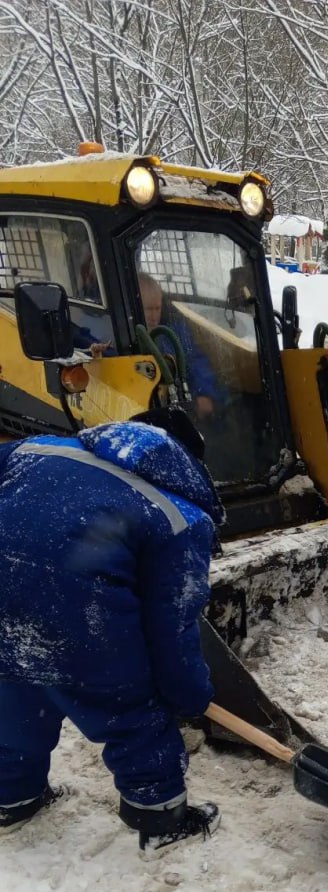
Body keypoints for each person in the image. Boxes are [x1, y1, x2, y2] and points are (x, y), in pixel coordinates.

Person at [0, 414, 225, 851]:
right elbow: (172, 628)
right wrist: (187, 698)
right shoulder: (177, 516)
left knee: (12, 696)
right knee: (131, 711)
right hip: (79, 614)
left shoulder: (38, 448)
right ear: (187, 464)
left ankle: (12, 799)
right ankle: (160, 818)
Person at [138, 273, 218, 422]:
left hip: (177, 403)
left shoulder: (174, 331)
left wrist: (204, 393)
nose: (154, 315)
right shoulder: (125, 334)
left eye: (157, 308)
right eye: (148, 309)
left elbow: (195, 360)